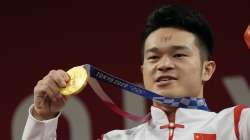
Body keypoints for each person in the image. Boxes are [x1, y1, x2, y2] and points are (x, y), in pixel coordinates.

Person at [22, 4, 250, 140]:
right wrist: (43, 119)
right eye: (153, 57)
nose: (164, 65)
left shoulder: (237, 126)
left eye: (179, 55)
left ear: (207, 70)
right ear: (143, 71)